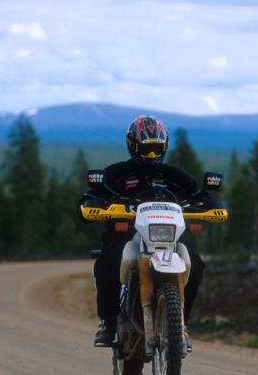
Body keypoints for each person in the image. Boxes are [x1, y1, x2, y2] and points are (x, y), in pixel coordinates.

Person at [78, 115, 209, 349]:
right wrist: (95, 203)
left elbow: (200, 196)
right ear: (133, 146)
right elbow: (90, 197)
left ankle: (180, 326)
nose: (152, 156)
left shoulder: (174, 177)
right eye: (146, 150)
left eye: (157, 150)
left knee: (196, 264)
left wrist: (208, 204)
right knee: (108, 261)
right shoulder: (117, 174)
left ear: (165, 147)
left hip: (168, 240)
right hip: (126, 237)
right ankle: (108, 322)